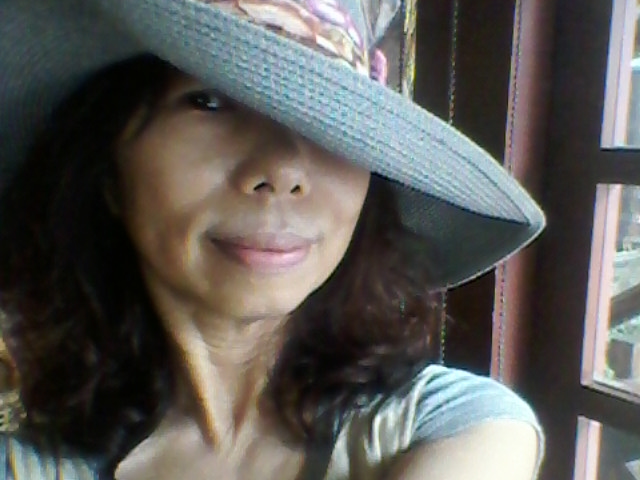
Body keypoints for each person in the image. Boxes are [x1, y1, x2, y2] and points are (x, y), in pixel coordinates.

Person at [0, 0, 547, 479]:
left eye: (331, 119)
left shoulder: (456, 429)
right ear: (106, 168)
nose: (283, 169)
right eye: (209, 101)